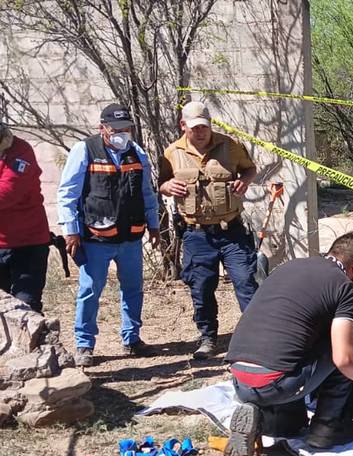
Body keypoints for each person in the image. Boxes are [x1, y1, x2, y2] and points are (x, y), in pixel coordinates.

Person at [223, 232, 353, 456]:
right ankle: (328, 426)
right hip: (277, 382)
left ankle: (264, 419)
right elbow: (345, 359)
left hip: (240, 379)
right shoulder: (344, 287)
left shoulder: (288, 267)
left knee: (291, 427)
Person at [58, 104, 161, 367]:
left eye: (126, 129)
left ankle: (132, 338)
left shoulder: (137, 153)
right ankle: (84, 345)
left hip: (130, 238)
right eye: (116, 129)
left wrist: (154, 224)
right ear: (102, 128)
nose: (122, 133)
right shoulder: (85, 150)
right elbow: (67, 193)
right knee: (90, 291)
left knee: (133, 289)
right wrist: (71, 232)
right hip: (96, 238)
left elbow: (147, 193)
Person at [159, 101, 259, 360]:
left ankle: (257, 338)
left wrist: (244, 182)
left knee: (245, 283)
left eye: (204, 126)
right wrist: (168, 187)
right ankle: (207, 338)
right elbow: (160, 183)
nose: (201, 131)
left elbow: (250, 169)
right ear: (183, 126)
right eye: (195, 127)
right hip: (196, 234)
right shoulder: (171, 153)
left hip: (232, 231)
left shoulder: (231, 146)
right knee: (201, 288)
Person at [0, 122, 50, 312]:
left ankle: (33, 342)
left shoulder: (20, 151)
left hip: (27, 245)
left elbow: (7, 194)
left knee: (26, 307)